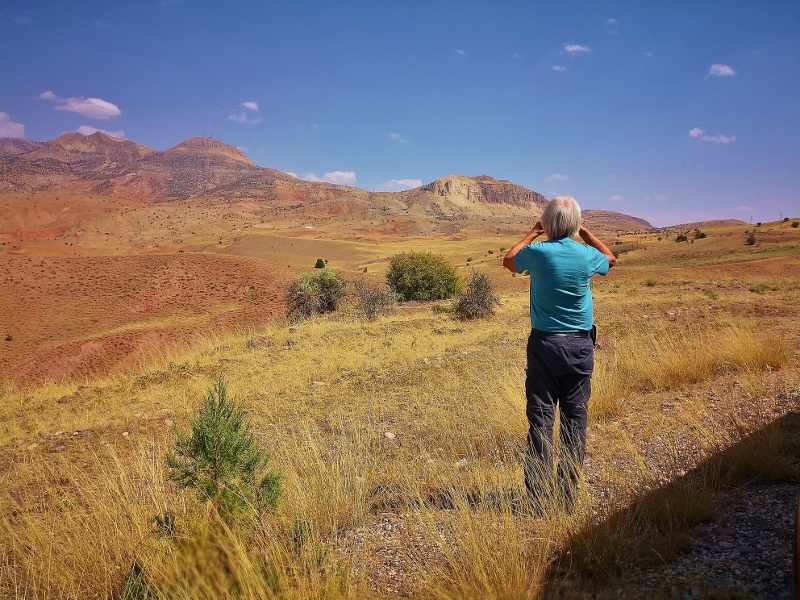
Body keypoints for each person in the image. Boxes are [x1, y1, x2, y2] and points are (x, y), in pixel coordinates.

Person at [502, 195, 615, 511]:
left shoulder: (536, 253)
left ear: (548, 222)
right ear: (575, 224)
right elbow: (612, 259)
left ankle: (538, 500)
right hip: (580, 346)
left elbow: (509, 261)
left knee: (540, 419)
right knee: (575, 419)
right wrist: (586, 234)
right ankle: (567, 497)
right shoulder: (587, 255)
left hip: (544, 345)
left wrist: (531, 233)